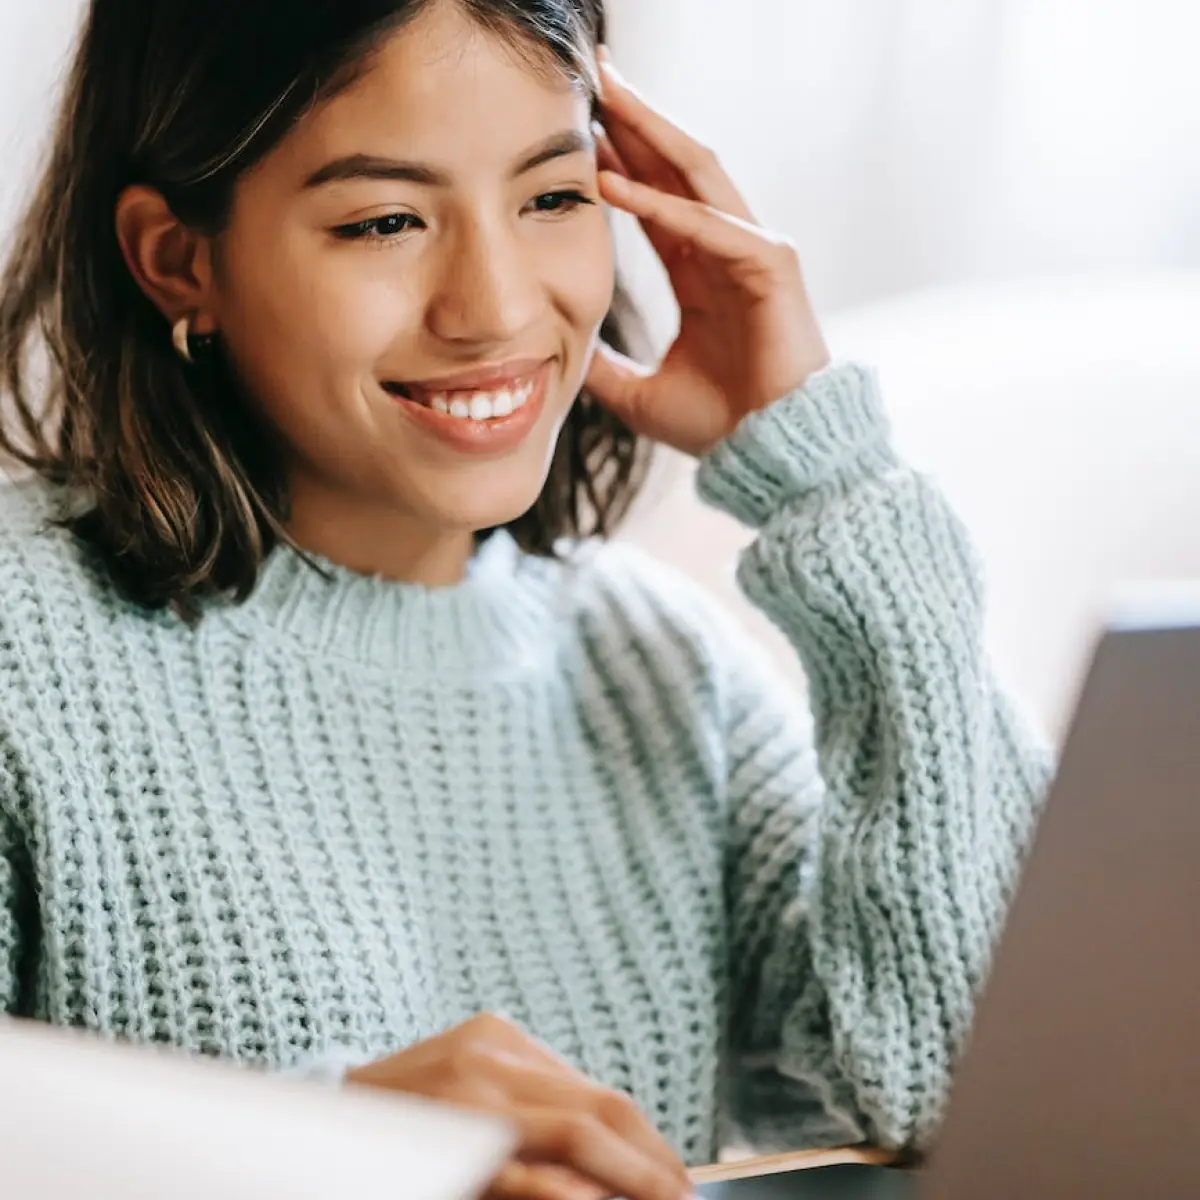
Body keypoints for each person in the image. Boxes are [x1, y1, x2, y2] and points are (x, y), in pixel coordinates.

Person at [0, 1, 1051, 1197]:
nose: (495, 308)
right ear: (179, 258)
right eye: (385, 220)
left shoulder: (661, 671)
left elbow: (992, 1087)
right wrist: (313, 1157)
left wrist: (832, 481)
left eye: (554, 196)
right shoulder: (22, 644)